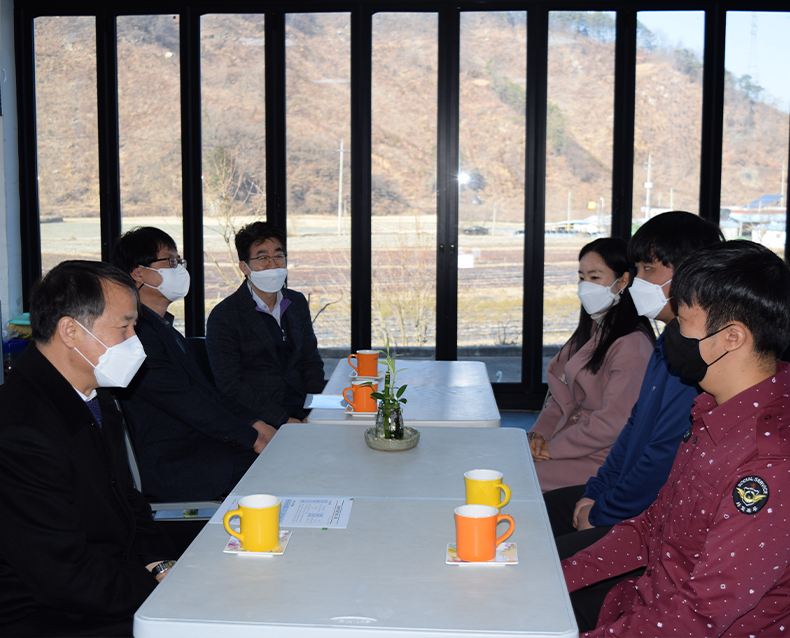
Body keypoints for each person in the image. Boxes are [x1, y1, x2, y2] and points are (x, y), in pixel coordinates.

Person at [564, 240, 790, 636]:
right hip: (642, 600)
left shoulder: (770, 464)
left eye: (683, 321)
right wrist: (554, 574)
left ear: (732, 337)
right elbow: (652, 528)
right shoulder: (711, 412)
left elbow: (698, 616)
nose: (671, 334)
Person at [0, 261, 176, 637]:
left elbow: (127, 498)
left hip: (109, 580)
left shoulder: (93, 392)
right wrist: (162, 590)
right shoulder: (19, 429)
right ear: (70, 331)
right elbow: (63, 575)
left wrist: (163, 565)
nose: (135, 341)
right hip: (50, 615)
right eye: (124, 327)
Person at [544, 213, 724, 562]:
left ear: (690, 272)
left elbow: (661, 455)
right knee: (538, 511)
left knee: (548, 563)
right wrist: (595, 492)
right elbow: (632, 429)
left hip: (649, 517)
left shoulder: (696, 360)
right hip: (616, 491)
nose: (636, 281)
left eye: (647, 269)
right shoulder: (666, 342)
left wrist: (602, 510)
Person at [112, 227, 277, 502]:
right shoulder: (138, 337)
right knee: (281, 469)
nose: (180, 269)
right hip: (177, 464)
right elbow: (190, 404)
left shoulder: (164, 330)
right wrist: (253, 438)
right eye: (171, 261)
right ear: (138, 273)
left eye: (180, 261)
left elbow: (208, 394)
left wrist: (256, 423)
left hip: (199, 446)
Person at [528, 237, 655, 492]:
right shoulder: (596, 327)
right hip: (569, 441)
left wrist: (554, 449)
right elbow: (562, 395)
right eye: (581, 277)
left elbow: (612, 424)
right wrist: (540, 435)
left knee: (513, 478)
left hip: (600, 459)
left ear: (623, 281)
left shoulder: (632, 345)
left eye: (595, 278)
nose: (585, 287)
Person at [206, 222, 324, 425]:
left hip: (304, 407)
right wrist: (285, 421)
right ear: (244, 267)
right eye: (262, 258)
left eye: (279, 256)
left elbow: (310, 361)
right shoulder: (224, 316)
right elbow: (230, 385)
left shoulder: (296, 302)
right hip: (261, 417)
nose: (273, 264)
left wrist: (315, 410)